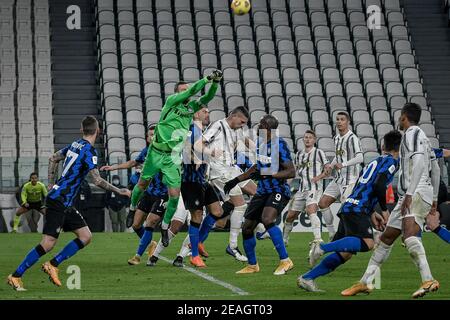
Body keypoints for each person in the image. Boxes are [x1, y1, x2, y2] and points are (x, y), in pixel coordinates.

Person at [7, 116, 131, 291]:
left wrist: (51, 183)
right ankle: (16, 275)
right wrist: (120, 191)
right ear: (98, 131)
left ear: (82, 130)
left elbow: (53, 158)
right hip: (59, 201)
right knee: (48, 243)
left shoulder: (75, 144)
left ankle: (52, 264)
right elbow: (97, 180)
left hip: (63, 200)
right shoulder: (89, 151)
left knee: (85, 236)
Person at [341, 103, 441, 298]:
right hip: (417, 192)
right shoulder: (425, 138)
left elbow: (420, 163)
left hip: (415, 192)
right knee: (386, 238)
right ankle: (365, 282)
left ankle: (428, 279)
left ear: (404, 117)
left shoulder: (411, 134)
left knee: (410, 236)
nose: (399, 120)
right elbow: (435, 169)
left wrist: (411, 193)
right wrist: (435, 197)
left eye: (400, 116)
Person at [297, 131, 401, 292]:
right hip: (357, 209)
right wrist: (385, 211)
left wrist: (372, 212)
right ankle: (322, 248)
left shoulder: (373, 162)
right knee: (368, 243)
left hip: (351, 207)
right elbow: (380, 186)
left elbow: (363, 187)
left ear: (382, 146)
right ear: (399, 148)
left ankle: (307, 278)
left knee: (346, 253)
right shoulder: (391, 162)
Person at [129, 71, 223, 247]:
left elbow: (208, 96)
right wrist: (206, 79)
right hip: (156, 153)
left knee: (173, 196)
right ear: (176, 93)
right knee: (142, 184)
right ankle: (132, 208)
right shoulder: (171, 102)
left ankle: (164, 227)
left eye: (186, 90)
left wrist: (216, 82)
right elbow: (193, 90)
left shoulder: (190, 108)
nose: (186, 92)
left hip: (171, 157)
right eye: (182, 90)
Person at [223, 115, 296, 275]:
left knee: (267, 219)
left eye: (261, 124)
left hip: (278, 190)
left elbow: (291, 171)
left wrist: (270, 174)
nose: (257, 126)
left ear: (268, 129)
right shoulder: (261, 144)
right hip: (262, 191)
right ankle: (252, 265)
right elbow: (257, 168)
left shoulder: (280, 144)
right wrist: (235, 180)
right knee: (247, 228)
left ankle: (286, 261)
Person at [197, 106, 257, 262]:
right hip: (219, 171)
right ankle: (232, 245)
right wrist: (211, 152)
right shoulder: (218, 125)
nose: (242, 125)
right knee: (240, 205)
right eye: (241, 122)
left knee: (258, 192)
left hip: (232, 169)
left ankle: (260, 227)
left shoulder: (237, 130)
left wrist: (260, 148)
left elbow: (246, 142)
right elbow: (199, 144)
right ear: (234, 116)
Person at [101, 125, 155, 237]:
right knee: (136, 225)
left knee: (153, 222)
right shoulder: (146, 151)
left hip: (164, 191)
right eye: (150, 135)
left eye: (155, 134)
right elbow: (132, 163)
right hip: (149, 192)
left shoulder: (166, 150)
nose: (153, 137)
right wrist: (113, 167)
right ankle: (151, 246)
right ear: (147, 138)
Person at [318, 112, 363, 241]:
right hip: (338, 179)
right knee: (323, 203)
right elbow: (338, 158)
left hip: (350, 180)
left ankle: (356, 234)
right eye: (337, 119)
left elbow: (360, 157)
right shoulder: (336, 138)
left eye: (342, 119)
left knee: (346, 210)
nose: (339, 122)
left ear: (347, 122)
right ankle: (332, 234)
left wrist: (343, 164)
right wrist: (330, 167)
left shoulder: (352, 138)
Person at [283, 130, 329, 245]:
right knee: (290, 216)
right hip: (301, 189)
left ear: (314, 140)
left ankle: (318, 239)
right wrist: (286, 185)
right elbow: (294, 172)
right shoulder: (299, 154)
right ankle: (284, 240)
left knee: (311, 211)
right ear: (303, 139)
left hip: (314, 188)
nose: (307, 139)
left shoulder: (319, 153)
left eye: (310, 137)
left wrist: (318, 177)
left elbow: (328, 169)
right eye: (306, 137)